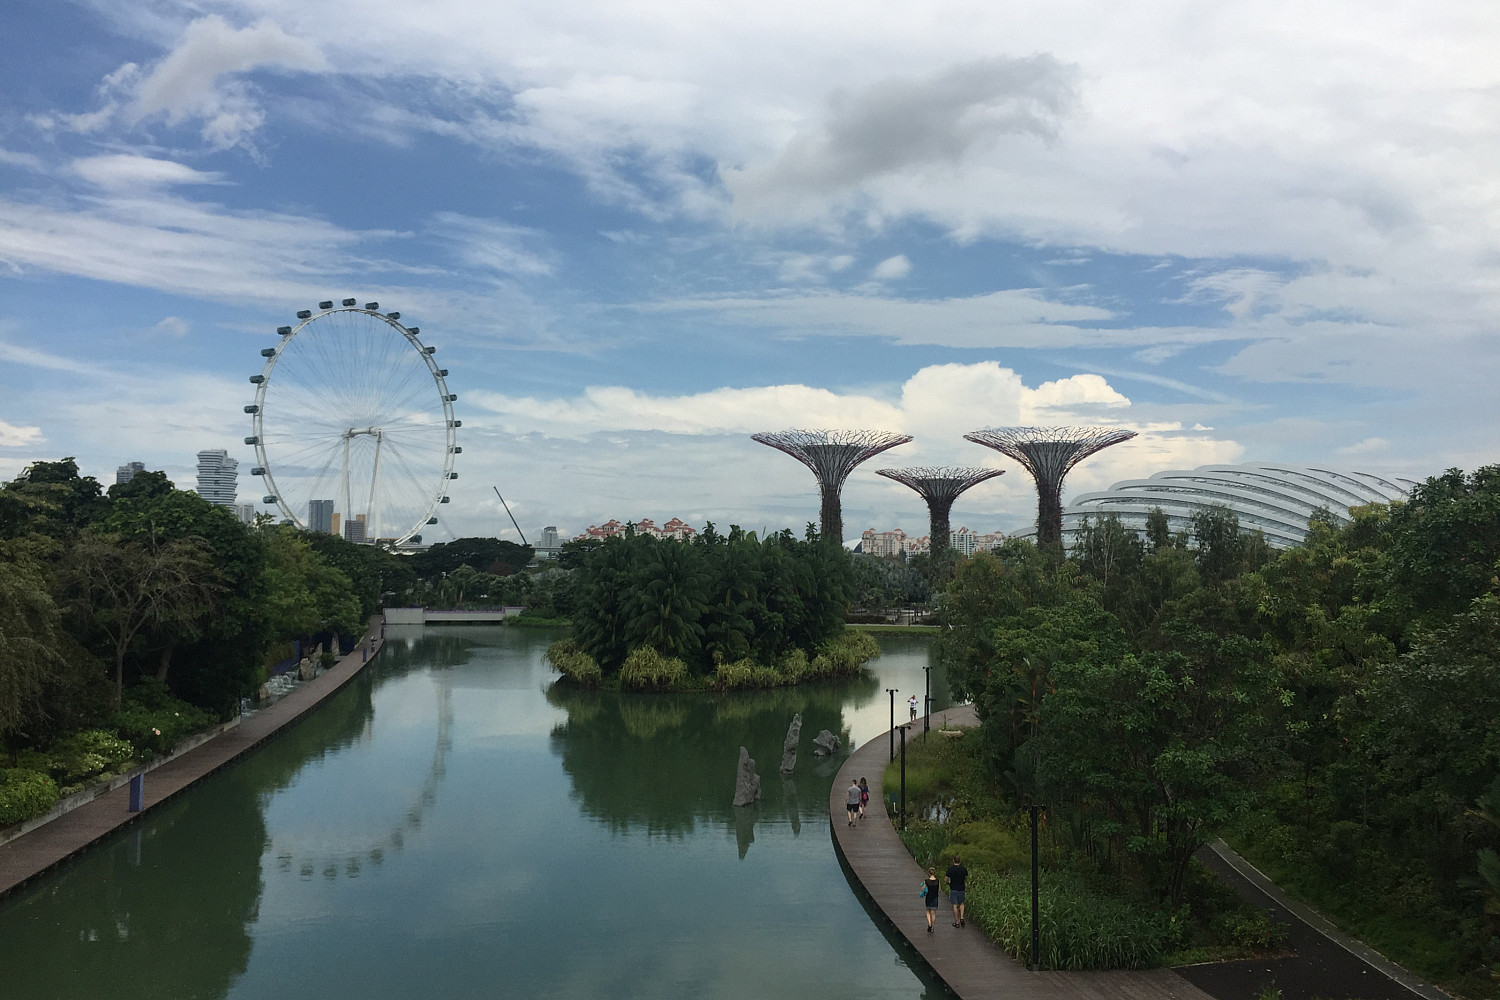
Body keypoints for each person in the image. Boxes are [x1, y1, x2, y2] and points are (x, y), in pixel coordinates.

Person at [946, 854, 969, 927]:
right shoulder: (963, 869)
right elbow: (966, 878)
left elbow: (945, 879)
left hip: (953, 888)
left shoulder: (950, 869)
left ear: (953, 861)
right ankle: (962, 917)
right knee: (962, 903)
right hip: (961, 888)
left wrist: (948, 883)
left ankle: (957, 922)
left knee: (955, 905)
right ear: (960, 861)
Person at [921, 867, 941, 932]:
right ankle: (932, 927)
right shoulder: (937, 881)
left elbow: (923, 889)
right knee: (933, 913)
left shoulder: (926, 881)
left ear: (929, 873)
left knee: (927, 911)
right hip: (935, 898)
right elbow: (939, 890)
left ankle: (929, 924)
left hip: (928, 897)